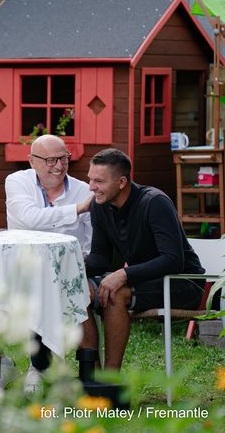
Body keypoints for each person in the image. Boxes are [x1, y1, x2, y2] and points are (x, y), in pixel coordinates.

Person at [83, 148, 205, 370]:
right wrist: (75, 268)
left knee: (115, 293)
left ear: (121, 182)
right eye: (90, 179)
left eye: (99, 181)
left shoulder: (154, 202)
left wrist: (124, 274)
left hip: (182, 284)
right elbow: (101, 258)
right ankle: (91, 377)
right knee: (79, 288)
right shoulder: (99, 206)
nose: (92, 187)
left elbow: (172, 259)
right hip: (144, 281)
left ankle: (110, 382)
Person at [5, 134, 96, 393]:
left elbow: (91, 240)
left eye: (63, 158)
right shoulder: (17, 181)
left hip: (72, 271)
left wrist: (84, 266)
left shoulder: (82, 189)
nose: (58, 165)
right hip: (22, 267)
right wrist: (77, 209)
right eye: (50, 160)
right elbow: (30, 218)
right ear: (32, 161)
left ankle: (47, 368)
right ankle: (24, 365)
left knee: (58, 288)